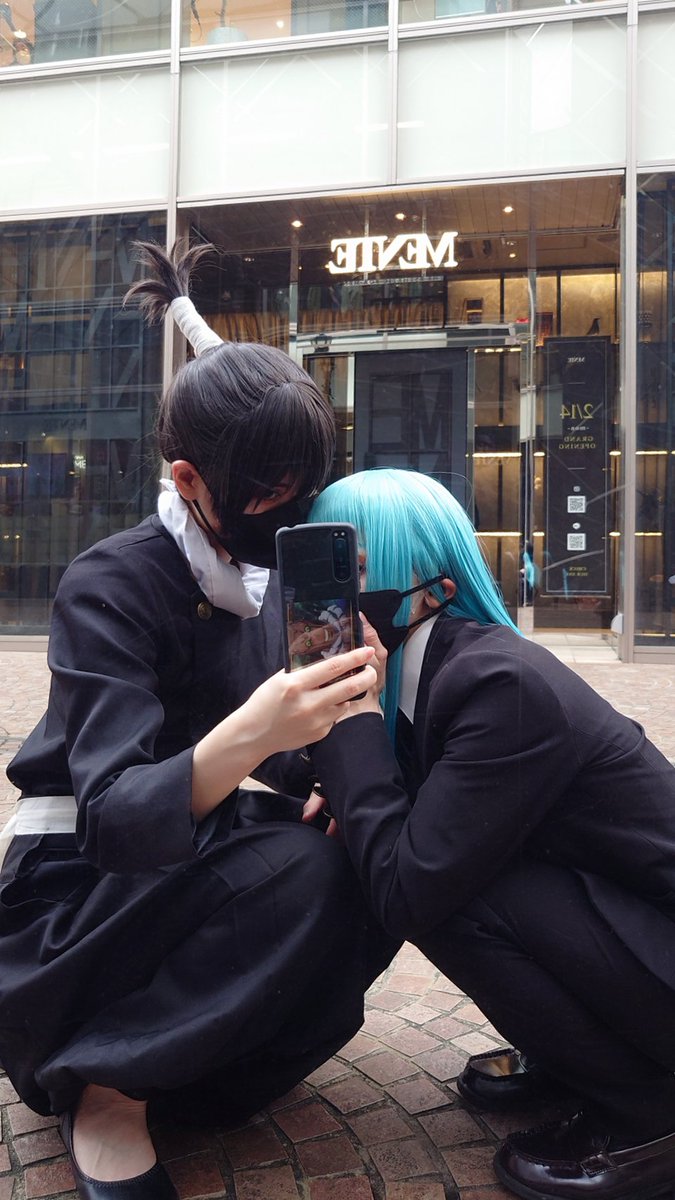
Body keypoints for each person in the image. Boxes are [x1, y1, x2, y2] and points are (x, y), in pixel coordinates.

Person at [0, 242, 390, 1200]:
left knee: (377, 851)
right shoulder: (110, 582)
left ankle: (192, 1062)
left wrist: (341, 748)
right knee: (298, 868)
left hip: (182, 852)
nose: (284, 515)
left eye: (302, 492)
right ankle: (109, 1087)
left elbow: (293, 767)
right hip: (73, 888)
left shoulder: (262, 582)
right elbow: (116, 817)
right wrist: (259, 728)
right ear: (185, 479)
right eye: (266, 495)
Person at [304, 467, 675, 1200]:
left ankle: (651, 1115)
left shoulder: (497, 683)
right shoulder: (430, 670)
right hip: (635, 935)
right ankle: (584, 1058)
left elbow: (408, 888)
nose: (329, 598)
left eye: (355, 569)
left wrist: (351, 726)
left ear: (430, 584)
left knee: (441, 891)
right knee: (436, 861)